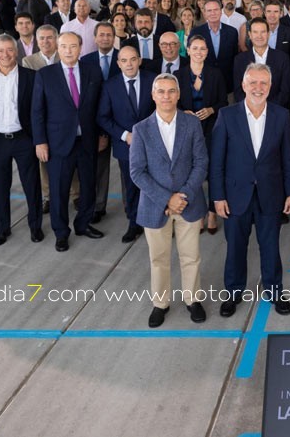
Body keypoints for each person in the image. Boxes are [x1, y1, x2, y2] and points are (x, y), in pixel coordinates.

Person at [210, 63, 290, 316]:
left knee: (270, 246)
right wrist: (217, 197)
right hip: (236, 196)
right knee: (236, 247)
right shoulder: (227, 116)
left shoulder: (281, 116)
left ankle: (274, 289)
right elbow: (217, 161)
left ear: (270, 87)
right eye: (253, 83)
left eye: (263, 83)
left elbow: (288, 159)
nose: (258, 88)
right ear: (243, 85)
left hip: (270, 195)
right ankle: (233, 292)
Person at [129, 74, 210, 328]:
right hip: (155, 205)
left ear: (178, 94)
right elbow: (137, 172)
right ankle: (160, 303)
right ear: (153, 96)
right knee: (159, 258)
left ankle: (193, 299)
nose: (166, 96)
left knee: (191, 256)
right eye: (161, 91)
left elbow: (201, 162)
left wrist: (182, 195)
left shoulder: (191, 124)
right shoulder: (141, 129)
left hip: (188, 202)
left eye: (171, 91)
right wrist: (167, 199)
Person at [31, 31, 106, 252]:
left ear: (81, 48)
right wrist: (40, 141)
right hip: (57, 143)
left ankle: (83, 224)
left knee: (88, 185)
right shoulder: (45, 75)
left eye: (73, 46)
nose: (68, 50)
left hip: (87, 140)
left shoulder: (93, 72)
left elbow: (99, 107)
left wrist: (102, 135)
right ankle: (61, 232)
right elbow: (37, 112)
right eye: (64, 46)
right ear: (57, 47)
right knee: (59, 190)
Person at [0, 34, 42, 245]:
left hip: (24, 138)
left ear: (17, 52)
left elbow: (37, 111)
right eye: (1, 51)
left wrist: (38, 139)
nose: (6, 54)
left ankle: (35, 226)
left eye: (10, 50)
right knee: (0, 187)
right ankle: (2, 229)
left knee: (32, 185)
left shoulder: (31, 76)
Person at [97, 45, 156, 243]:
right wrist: (124, 135)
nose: (129, 64)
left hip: (153, 144)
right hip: (126, 146)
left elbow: (163, 108)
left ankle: (156, 220)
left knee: (155, 182)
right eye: (124, 60)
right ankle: (134, 223)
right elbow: (103, 117)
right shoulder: (110, 86)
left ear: (139, 60)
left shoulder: (152, 79)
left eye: (133, 59)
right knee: (131, 186)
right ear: (118, 63)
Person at [175, 34, 227, 234]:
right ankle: (197, 212)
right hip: (188, 131)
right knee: (192, 172)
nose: (198, 52)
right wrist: (183, 112)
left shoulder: (215, 74)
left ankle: (213, 212)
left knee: (214, 171)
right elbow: (173, 103)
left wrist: (211, 110)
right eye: (194, 48)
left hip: (212, 129)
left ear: (207, 52)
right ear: (187, 50)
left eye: (202, 49)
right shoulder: (179, 75)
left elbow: (223, 101)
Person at [190, 0, 240, 94]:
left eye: (216, 10)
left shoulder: (232, 32)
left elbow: (235, 58)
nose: (213, 13)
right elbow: (192, 58)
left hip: (227, 84)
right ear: (204, 14)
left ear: (221, 12)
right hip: (203, 83)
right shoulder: (196, 32)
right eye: (209, 10)